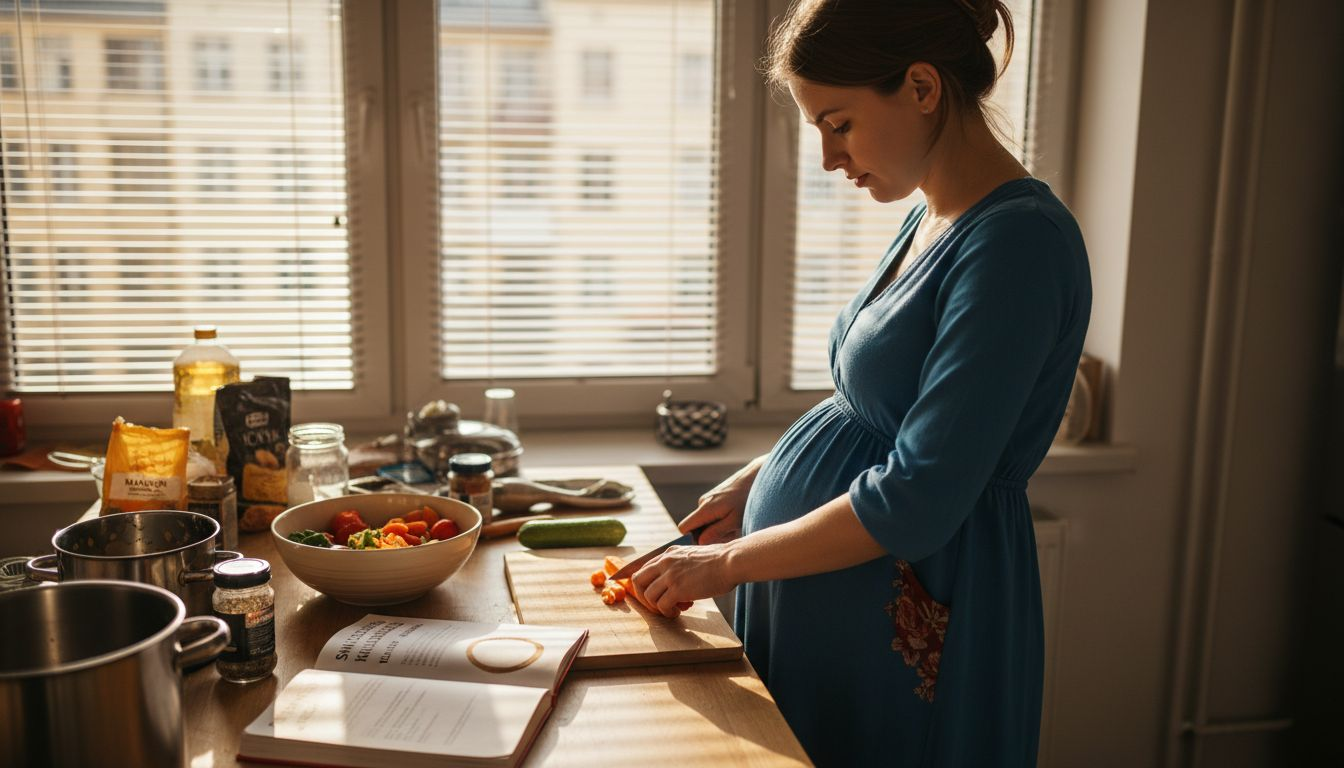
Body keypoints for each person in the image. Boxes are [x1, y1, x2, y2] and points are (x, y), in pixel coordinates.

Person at [626, 0, 1092, 765]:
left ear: (921, 88)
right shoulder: (934, 217)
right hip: (835, 602)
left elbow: (920, 492)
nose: (828, 159)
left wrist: (724, 565)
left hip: (916, 606)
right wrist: (758, 478)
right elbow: (875, 402)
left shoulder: (1019, 245)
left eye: (837, 123)